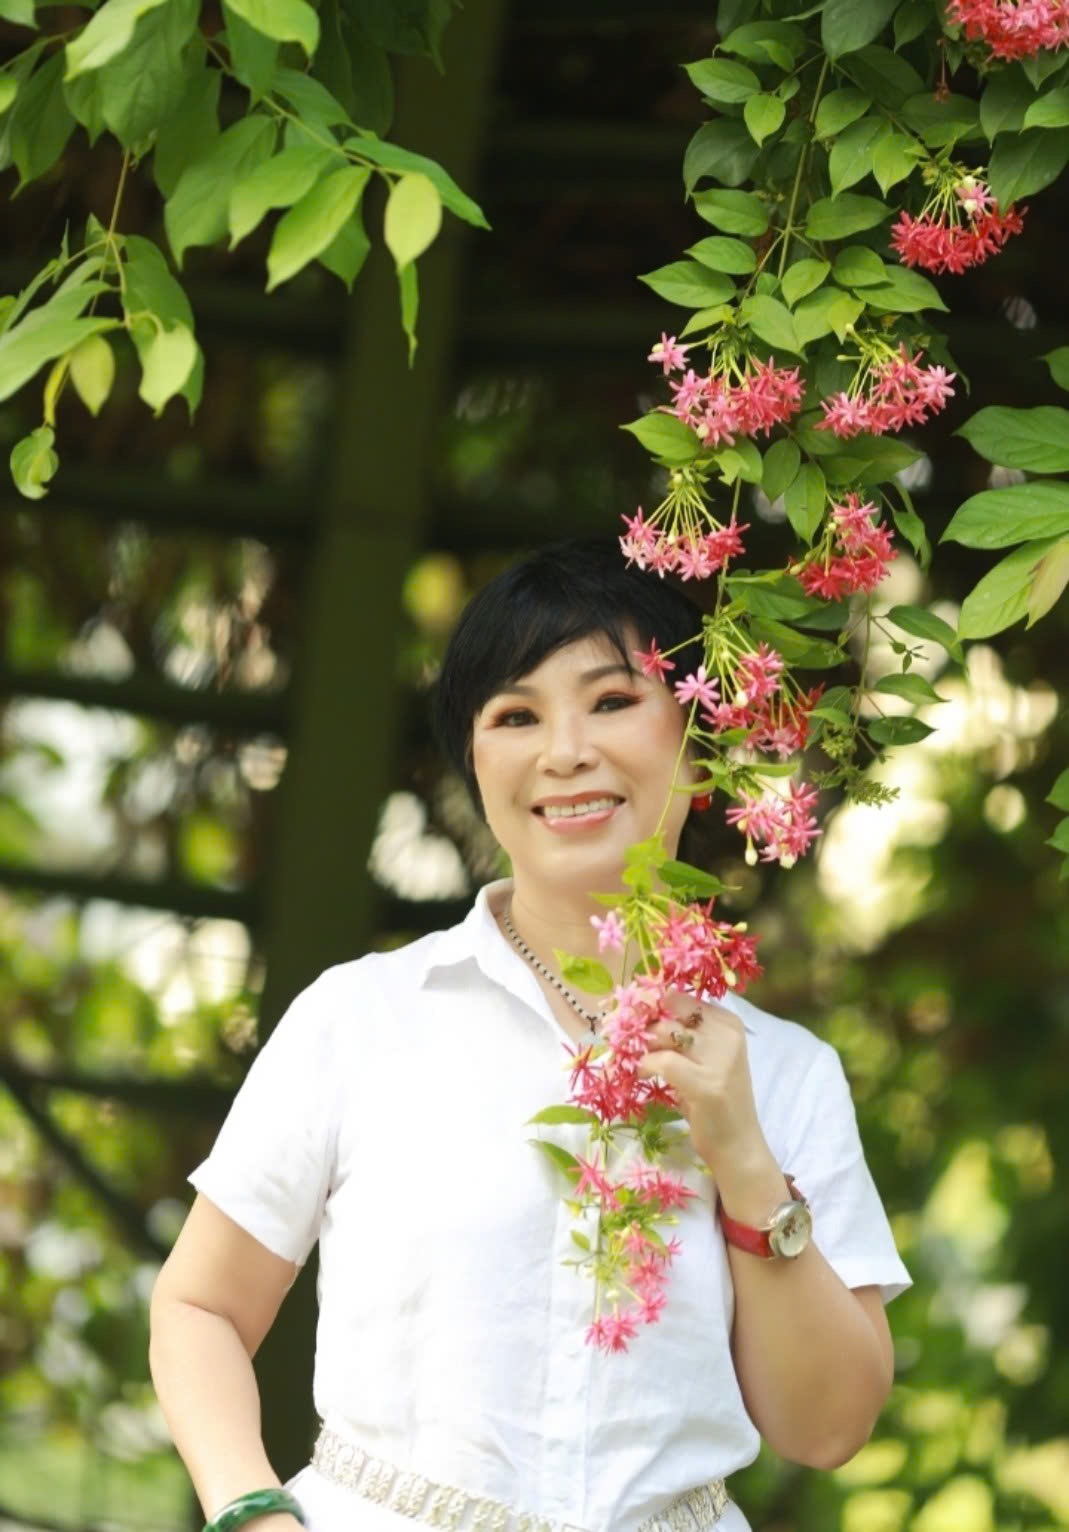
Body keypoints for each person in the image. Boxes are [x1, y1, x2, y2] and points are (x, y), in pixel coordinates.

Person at [149, 537, 912, 1532]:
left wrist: (741, 1156)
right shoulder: (363, 1017)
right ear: (473, 757)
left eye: (610, 699)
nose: (564, 752)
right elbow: (198, 1306)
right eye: (515, 715)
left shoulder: (785, 1072)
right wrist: (252, 1511)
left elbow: (826, 1426)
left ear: (702, 728)